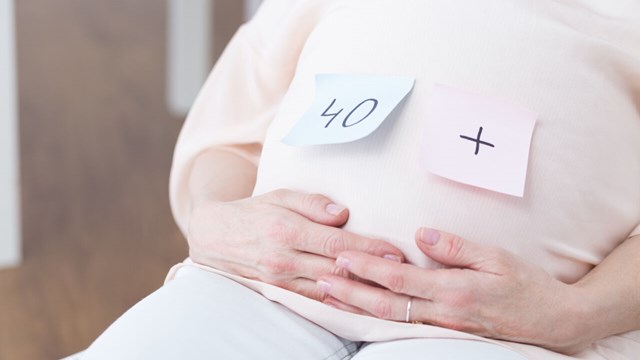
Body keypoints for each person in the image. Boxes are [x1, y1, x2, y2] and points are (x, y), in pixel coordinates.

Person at [83, 1, 640, 359]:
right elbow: (228, 136)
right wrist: (215, 222)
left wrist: (575, 314)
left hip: (504, 336)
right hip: (261, 291)